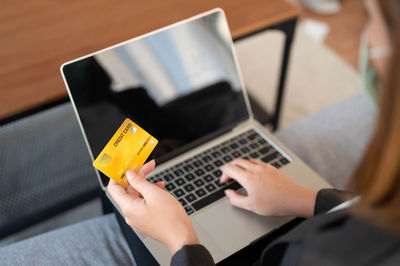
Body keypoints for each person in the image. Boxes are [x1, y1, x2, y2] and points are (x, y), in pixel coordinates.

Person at [108, 0, 400, 265]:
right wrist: (305, 199)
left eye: (370, 19)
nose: (369, 36)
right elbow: (369, 211)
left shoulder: (320, 256)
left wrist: (181, 241)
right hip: (311, 218)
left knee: (120, 208)